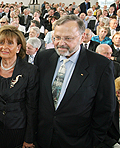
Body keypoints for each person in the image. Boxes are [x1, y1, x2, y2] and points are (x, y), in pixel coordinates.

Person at [35, 15, 116, 147]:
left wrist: (93, 140)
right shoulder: (43, 58)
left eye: (68, 38)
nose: (61, 43)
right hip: (43, 139)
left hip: (78, 141)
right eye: (57, 37)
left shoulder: (101, 65)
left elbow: (106, 108)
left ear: (82, 37)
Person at [0, 25, 37, 148]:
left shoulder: (30, 71)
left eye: (10, 43)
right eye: (1, 43)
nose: (4, 47)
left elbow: (32, 107)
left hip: (17, 128)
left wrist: (29, 138)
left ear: (18, 47)